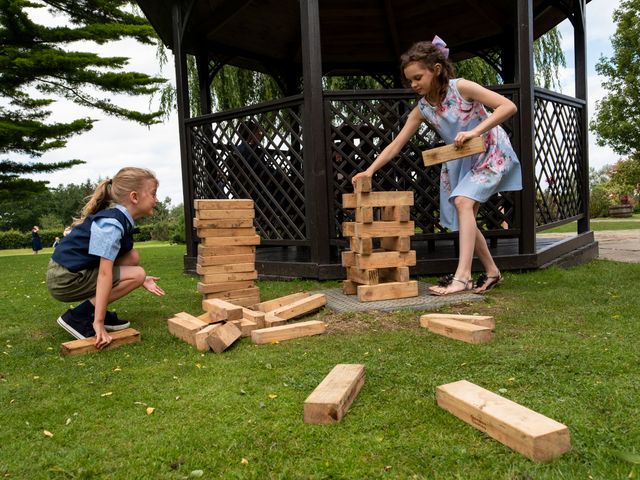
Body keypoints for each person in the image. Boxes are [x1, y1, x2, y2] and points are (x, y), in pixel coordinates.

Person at [352, 36, 522, 295]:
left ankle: (462, 277)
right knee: (465, 212)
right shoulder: (422, 109)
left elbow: (508, 106)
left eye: (418, 77)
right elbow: (395, 144)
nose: (413, 84)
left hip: (489, 151)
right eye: (409, 80)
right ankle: (491, 271)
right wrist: (370, 170)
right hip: (459, 159)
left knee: (463, 203)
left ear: (437, 70)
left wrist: (475, 131)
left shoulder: (461, 88)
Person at [46, 167, 165, 348]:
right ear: (134, 197)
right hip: (64, 279)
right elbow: (104, 274)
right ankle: (79, 317)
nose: (156, 200)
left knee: (132, 257)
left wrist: (142, 280)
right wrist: (99, 323)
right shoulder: (112, 225)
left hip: (71, 271)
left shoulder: (120, 220)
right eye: (153, 194)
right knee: (137, 273)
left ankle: (92, 311)